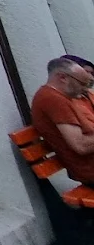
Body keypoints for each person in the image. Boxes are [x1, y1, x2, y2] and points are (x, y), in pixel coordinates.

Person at [33, 57, 94, 186]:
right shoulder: (53, 100)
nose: (85, 89)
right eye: (82, 83)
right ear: (62, 77)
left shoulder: (61, 97)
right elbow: (80, 146)